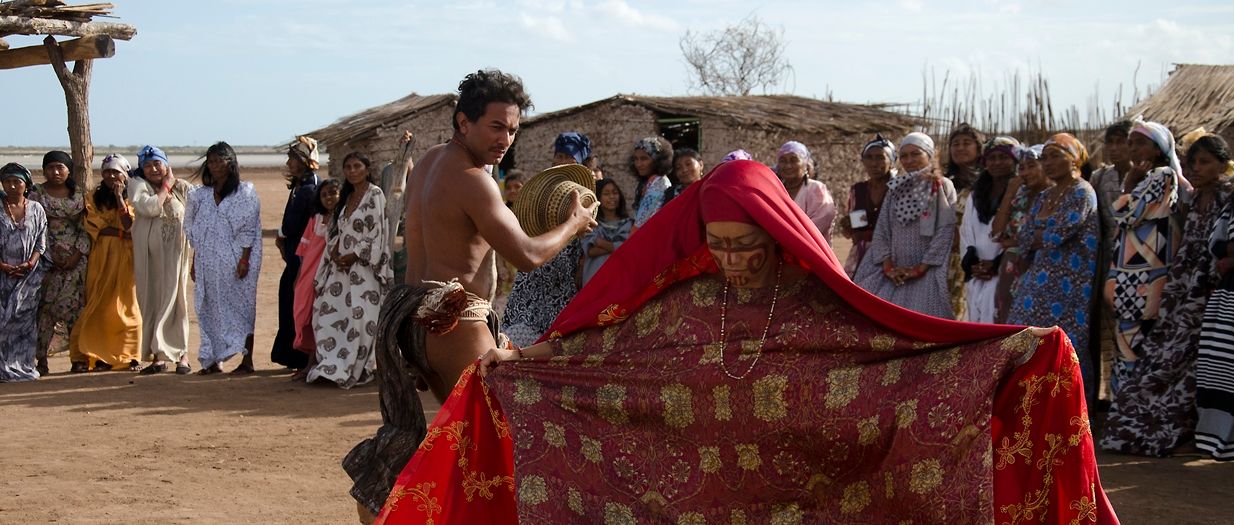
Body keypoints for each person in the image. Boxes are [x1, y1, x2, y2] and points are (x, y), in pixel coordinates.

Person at [374, 159, 1118, 524]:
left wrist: (1012, 349)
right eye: (719, 244)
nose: (732, 259)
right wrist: (522, 363)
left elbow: (895, 353)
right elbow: (605, 350)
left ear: (777, 234)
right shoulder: (683, 301)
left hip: (804, 489)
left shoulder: (812, 303)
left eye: (747, 245)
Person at [342, 69, 595, 521]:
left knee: (453, 441)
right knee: (493, 445)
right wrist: (573, 224)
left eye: (513, 129)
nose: (506, 139)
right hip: (457, 325)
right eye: (496, 126)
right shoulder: (474, 179)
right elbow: (529, 254)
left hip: (416, 319)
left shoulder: (429, 162)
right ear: (464, 122)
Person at [1103, 131, 1234, 456]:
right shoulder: (1191, 200)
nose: (1196, 169)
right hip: (1181, 292)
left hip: (1209, 292)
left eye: (1205, 163)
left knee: (1194, 364)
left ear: (1223, 164)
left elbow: (1125, 213)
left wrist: (1131, 181)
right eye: (1192, 163)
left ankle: (1187, 434)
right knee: (1165, 360)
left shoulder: (1224, 197)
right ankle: (1157, 432)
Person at [1006, 133, 1100, 409]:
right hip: (1038, 276)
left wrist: (1036, 235)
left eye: (1055, 156)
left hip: (1070, 282)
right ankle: (1032, 405)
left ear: (1074, 160)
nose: (1048, 163)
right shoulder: (1046, 194)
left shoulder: (1082, 192)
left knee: (1066, 343)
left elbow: (1058, 233)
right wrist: (1034, 236)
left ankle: (1073, 409)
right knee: (1024, 333)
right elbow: (1023, 236)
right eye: (1044, 158)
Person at [1105, 117, 1183, 394]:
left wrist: (1129, 184)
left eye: (1141, 143)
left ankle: (1133, 413)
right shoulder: (1149, 179)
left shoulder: (1162, 176)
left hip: (1147, 280)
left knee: (1137, 349)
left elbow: (1127, 214)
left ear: (1159, 148)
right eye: (1131, 144)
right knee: (1128, 348)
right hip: (1133, 281)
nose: (1133, 149)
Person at [306, 152, 391, 388]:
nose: (352, 171)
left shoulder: (375, 194)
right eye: (348, 167)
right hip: (339, 269)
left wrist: (354, 255)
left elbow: (378, 232)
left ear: (366, 168)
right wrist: (335, 253)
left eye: (357, 166)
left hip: (364, 270)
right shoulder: (346, 196)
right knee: (326, 314)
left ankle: (359, 368)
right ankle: (331, 365)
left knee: (361, 319)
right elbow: (335, 230)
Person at [853, 132, 957, 319]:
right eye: (904, 156)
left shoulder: (942, 185)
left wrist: (920, 268)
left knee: (924, 322)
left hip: (927, 270)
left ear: (930, 155)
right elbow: (883, 229)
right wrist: (888, 266)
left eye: (915, 154)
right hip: (894, 269)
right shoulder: (896, 187)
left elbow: (945, 230)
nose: (909, 160)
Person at [185, 142, 263, 376]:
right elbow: (198, 231)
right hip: (208, 259)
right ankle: (213, 360)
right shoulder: (201, 196)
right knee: (209, 307)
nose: (215, 165)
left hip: (236, 258)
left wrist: (244, 260)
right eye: (211, 161)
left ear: (231, 163)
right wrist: (195, 260)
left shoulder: (245, 193)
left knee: (242, 307)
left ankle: (247, 360)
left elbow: (249, 229)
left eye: (220, 160)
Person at [69, 155, 141, 372]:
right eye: (107, 171)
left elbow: (131, 226)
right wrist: (119, 232)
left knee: (127, 307)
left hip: (127, 258)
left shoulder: (135, 196)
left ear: (125, 175)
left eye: (116, 172)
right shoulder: (93, 197)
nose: (111, 176)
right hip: (102, 256)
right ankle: (98, 355)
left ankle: (130, 355)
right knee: (99, 305)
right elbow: (95, 225)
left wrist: (120, 199)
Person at [128, 145, 192, 374]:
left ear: (166, 165)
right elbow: (150, 207)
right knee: (152, 300)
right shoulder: (137, 185)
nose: (153, 169)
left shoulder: (182, 187)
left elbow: (196, 213)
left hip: (176, 254)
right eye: (147, 165)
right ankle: (158, 356)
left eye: (157, 163)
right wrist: (165, 187)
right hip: (149, 257)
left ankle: (182, 355)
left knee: (177, 300)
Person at [29, 151, 89, 376]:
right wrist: (46, 254)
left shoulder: (79, 195)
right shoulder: (37, 194)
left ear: (68, 170)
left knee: (75, 309)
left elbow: (87, 227)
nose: (55, 172)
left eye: (60, 168)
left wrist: (76, 254)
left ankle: (78, 359)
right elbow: (33, 226)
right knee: (44, 312)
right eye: (51, 167)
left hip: (76, 261)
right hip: (45, 260)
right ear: (44, 170)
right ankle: (41, 360)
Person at [1197, 136, 1234, 460]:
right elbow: (1219, 243)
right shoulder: (1229, 199)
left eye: (1205, 162)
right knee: (1217, 367)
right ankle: (1218, 442)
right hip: (1223, 290)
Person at [271, 135, 321, 371]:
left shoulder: (309, 189)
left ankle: (300, 358)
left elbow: (293, 225)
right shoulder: (302, 186)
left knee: (296, 302)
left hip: (303, 256)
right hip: (296, 253)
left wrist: (281, 235)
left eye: (293, 158)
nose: (289, 163)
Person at [990, 144, 1052, 323]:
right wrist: (1009, 193)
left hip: (1037, 269)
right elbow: (997, 234)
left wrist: (1014, 242)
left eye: (1032, 166)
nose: (1025, 173)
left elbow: (1045, 237)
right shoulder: (1020, 195)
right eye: (1022, 168)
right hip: (1010, 272)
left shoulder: (1055, 197)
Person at [959, 136, 1019, 323]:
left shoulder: (1022, 193)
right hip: (978, 272)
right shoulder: (977, 194)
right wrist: (972, 261)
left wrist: (997, 263)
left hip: (1006, 271)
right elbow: (966, 231)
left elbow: (1019, 234)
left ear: (1015, 160)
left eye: (1003, 157)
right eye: (992, 158)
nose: (997, 163)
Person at [0, 163, 48, 382]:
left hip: (28, 276)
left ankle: (23, 366)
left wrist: (30, 263)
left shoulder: (36, 209)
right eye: (7, 181)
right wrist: (3, 265)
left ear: (26, 185)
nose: (12, 185)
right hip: (3, 275)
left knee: (24, 323)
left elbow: (41, 242)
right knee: (3, 321)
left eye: (16, 181)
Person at [292, 179, 341, 364]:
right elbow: (304, 251)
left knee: (324, 316)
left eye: (333, 193)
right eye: (324, 194)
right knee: (306, 312)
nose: (329, 197)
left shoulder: (343, 217)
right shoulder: (316, 219)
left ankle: (319, 362)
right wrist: (299, 277)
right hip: (310, 274)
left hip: (332, 274)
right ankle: (311, 361)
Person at [943, 123, 985, 321]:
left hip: (973, 257)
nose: (960, 148)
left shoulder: (987, 182)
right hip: (943, 258)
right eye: (955, 144)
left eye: (966, 143)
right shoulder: (943, 181)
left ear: (978, 147)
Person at [838, 134, 896, 277]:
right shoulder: (858, 190)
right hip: (862, 255)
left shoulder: (898, 188)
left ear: (892, 161)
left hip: (893, 256)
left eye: (880, 157)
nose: (874, 163)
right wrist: (848, 224)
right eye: (869, 157)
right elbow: (855, 229)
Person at [776, 141, 836, 241]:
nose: (788, 166)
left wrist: (789, 237)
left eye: (794, 160)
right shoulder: (775, 190)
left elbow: (823, 219)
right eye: (783, 161)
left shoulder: (816, 189)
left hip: (809, 249)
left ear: (805, 164)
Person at [581, 178, 633, 285]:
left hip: (622, 281)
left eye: (615, 193)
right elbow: (590, 251)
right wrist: (620, 246)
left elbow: (632, 249)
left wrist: (600, 243)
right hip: (595, 280)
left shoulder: (630, 224)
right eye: (606, 193)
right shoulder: (590, 224)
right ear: (598, 197)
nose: (612, 197)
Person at [630, 136, 674, 228]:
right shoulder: (646, 182)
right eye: (636, 159)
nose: (638, 164)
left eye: (644, 159)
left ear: (657, 161)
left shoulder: (659, 183)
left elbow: (640, 224)